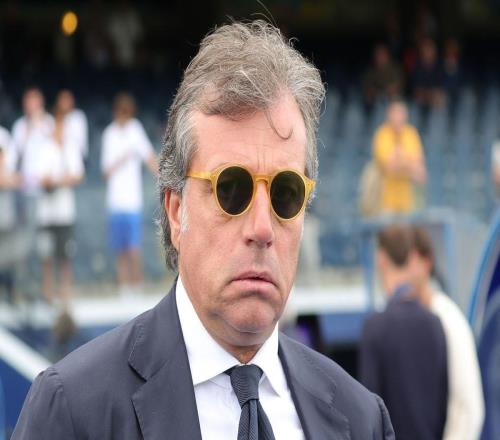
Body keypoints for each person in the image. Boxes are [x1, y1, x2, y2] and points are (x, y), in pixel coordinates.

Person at [13, 20, 395, 439]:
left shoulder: (362, 419)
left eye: (285, 194)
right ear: (176, 212)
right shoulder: (72, 410)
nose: (262, 228)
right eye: (232, 190)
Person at [359, 224, 448, 440]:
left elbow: (368, 412)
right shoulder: (435, 323)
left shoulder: (375, 327)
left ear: (381, 259)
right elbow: (443, 404)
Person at [410, 226, 484, 440]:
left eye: (411, 261)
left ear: (426, 262)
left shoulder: (448, 318)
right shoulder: (412, 320)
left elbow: (468, 404)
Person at [101, 92, 157, 296]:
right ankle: (123, 286)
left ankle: (137, 285)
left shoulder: (135, 129)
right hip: (116, 201)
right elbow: (105, 172)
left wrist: (163, 177)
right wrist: (122, 159)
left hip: (132, 201)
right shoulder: (109, 134)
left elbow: (149, 157)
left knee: (134, 247)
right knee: (120, 248)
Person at [35, 104, 84, 308]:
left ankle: (64, 296)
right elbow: (42, 179)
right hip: (47, 213)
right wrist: (60, 179)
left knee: (65, 256)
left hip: (64, 212)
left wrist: (58, 179)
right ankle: (48, 294)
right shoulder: (45, 148)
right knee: (46, 255)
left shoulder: (70, 148)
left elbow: (78, 175)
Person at [373, 100, 427, 214]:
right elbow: (388, 167)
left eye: (401, 114)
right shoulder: (382, 134)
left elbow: (419, 168)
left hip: (407, 199)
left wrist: (398, 159)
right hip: (385, 200)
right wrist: (408, 165)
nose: (398, 118)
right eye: (395, 114)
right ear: (389, 115)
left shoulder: (411, 133)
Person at [55, 89, 89, 161]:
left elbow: (80, 146)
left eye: (67, 98)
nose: (65, 102)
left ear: (72, 100)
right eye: (62, 99)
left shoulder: (78, 116)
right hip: (57, 161)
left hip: (76, 160)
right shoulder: (54, 119)